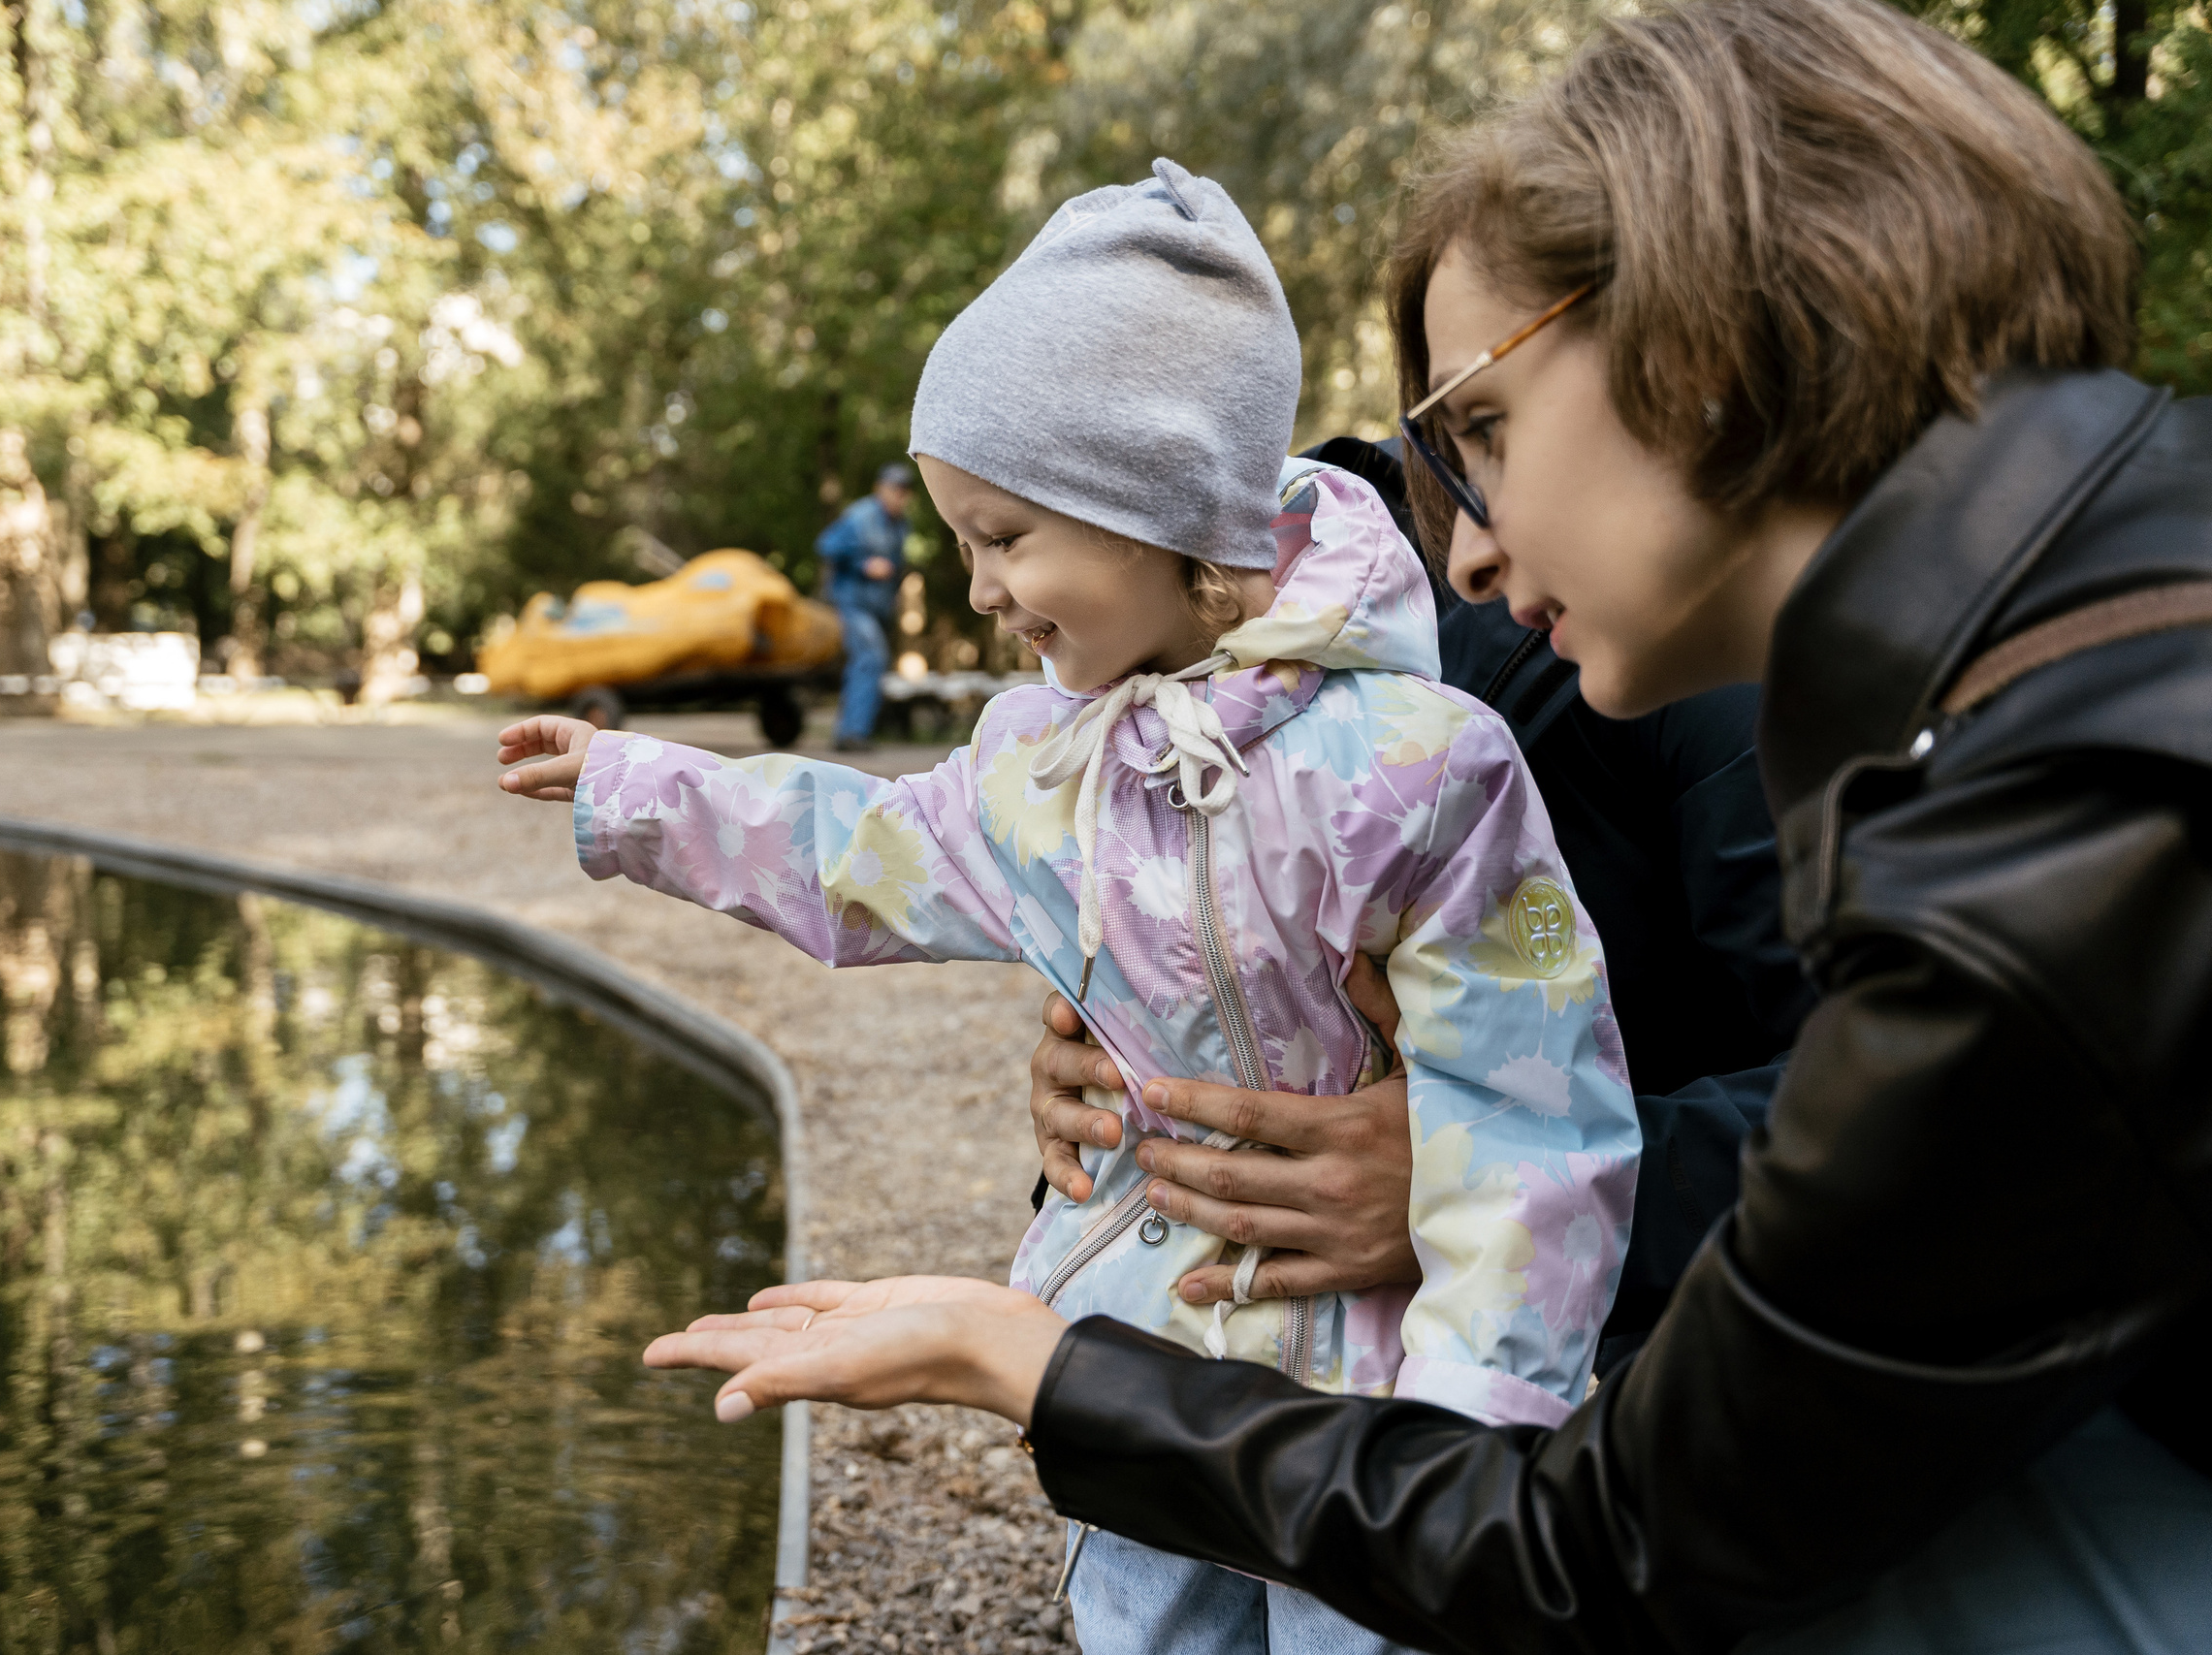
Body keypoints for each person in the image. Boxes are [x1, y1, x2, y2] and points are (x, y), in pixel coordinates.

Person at [642, 1, 2212, 1646]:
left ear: (1704, 340)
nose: (1454, 548)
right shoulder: (2047, 635)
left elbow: (1597, 1555)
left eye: (1477, 429)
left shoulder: (2046, 849)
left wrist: (1030, 1363)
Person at [498, 159, 1640, 1655]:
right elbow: (868, 849)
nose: (976, 588)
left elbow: (1533, 1107)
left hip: (1379, 1373)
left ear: (1160, 508)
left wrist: (1485, 1417)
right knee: (1143, 1623)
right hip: (1147, 1338)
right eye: (964, 538)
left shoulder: (1418, 768)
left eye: (1004, 536)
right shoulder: (1047, 766)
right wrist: (640, 790)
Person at [1026, 433, 1809, 1371]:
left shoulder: (1740, 647)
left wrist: (1488, 1188)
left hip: (1653, 1376)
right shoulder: (1232, 579)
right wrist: (1113, 1089)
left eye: (1489, 415)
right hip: (1223, 1374)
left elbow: (1940, 1104)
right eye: (1453, 420)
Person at [817, 461, 914, 750]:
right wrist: (863, 565)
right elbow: (826, 545)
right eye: (895, 489)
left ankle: (852, 730)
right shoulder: (859, 516)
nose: (900, 496)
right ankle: (853, 734)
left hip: (878, 608)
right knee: (872, 657)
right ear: (880, 489)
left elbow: (896, 567)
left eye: (905, 491)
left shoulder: (901, 524)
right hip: (852, 603)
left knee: (868, 661)